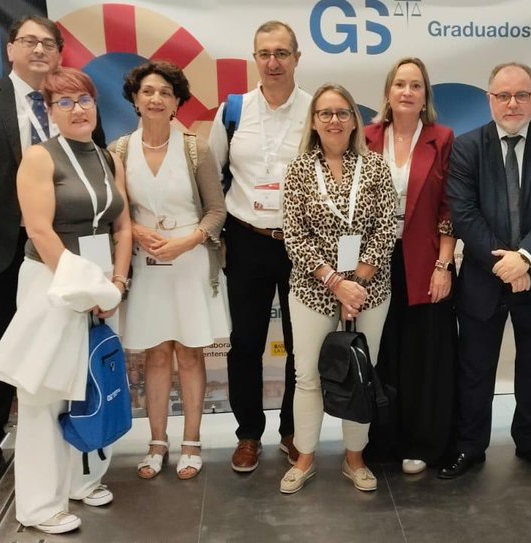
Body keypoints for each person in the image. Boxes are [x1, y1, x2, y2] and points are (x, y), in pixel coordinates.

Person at [0, 15, 104, 493]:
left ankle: (68, 444)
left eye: (48, 44)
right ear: (10, 50)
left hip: (61, 257)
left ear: (60, 53)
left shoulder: (73, 104)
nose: (38, 51)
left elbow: (97, 171)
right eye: (28, 42)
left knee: (61, 350)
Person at [0, 67, 132, 534]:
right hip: (52, 286)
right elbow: (39, 230)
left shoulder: (106, 155)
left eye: (85, 100)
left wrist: (117, 280)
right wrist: (91, 287)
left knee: (91, 383)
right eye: (66, 102)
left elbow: (123, 224)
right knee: (43, 397)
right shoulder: (39, 157)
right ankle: (38, 505)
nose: (78, 109)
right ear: (49, 111)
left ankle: (82, 479)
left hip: (99, 288)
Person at [440, 63, 531, 479]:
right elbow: (463, 213)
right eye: (503, 96)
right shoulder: (467, 147)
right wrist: (506, 264)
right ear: (490, 99)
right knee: (476, 367)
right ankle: (470, 446)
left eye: (521, 95)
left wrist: (527, 258)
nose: (513, 103)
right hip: (486, 278)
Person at [111, 60, 228, 480]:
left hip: (191, 261)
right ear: (135, 100)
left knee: (191, 354)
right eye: (148, 92)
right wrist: (138, 231)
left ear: (177, 101)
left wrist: (187, 241)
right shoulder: (119, 150)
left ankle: (192, 442)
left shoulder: (196, 147)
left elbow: (217, 211)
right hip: (145, 264)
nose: (156, 98)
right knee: (155, 355)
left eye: (165, 92)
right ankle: (157, 442)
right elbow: (116, 211)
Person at [279, 83, 397, 494]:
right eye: (326, 113)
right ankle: (305, 456)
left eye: (342, 113)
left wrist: (357, 283)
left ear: (353, 121)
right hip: (313, 291)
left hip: (369, 292)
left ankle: (355, 458)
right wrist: (335, 282)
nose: (334, 120)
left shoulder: (377, 167)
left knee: (361, 376)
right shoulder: (297, 170)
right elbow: (295, 236)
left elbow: (386, 228)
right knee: (308, 376)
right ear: (314, 121)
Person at [207, 20, 309, 471]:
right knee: (245, 343)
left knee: (299, 344)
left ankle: (292, 430)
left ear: (297, 58)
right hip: (246, 240)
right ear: (254, 58)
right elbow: (210, 178)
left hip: (302, 245)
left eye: (282, 53)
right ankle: (248, 434)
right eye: (264, 53)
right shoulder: (233, 111)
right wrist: (216, 238)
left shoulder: (315, 111)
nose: (273, 62)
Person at [362, 58, 457, 475]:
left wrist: (444, 264)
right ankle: (381, 441)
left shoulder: (443, 139)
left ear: (425, 96)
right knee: (380, 352)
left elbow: (450, 207)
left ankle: (422, 442)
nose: (406, 91)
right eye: (399, 83)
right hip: (373, 264)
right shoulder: (364, 137)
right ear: (387, 92)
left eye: (415, 85)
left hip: (424, 264)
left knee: (423, 355)